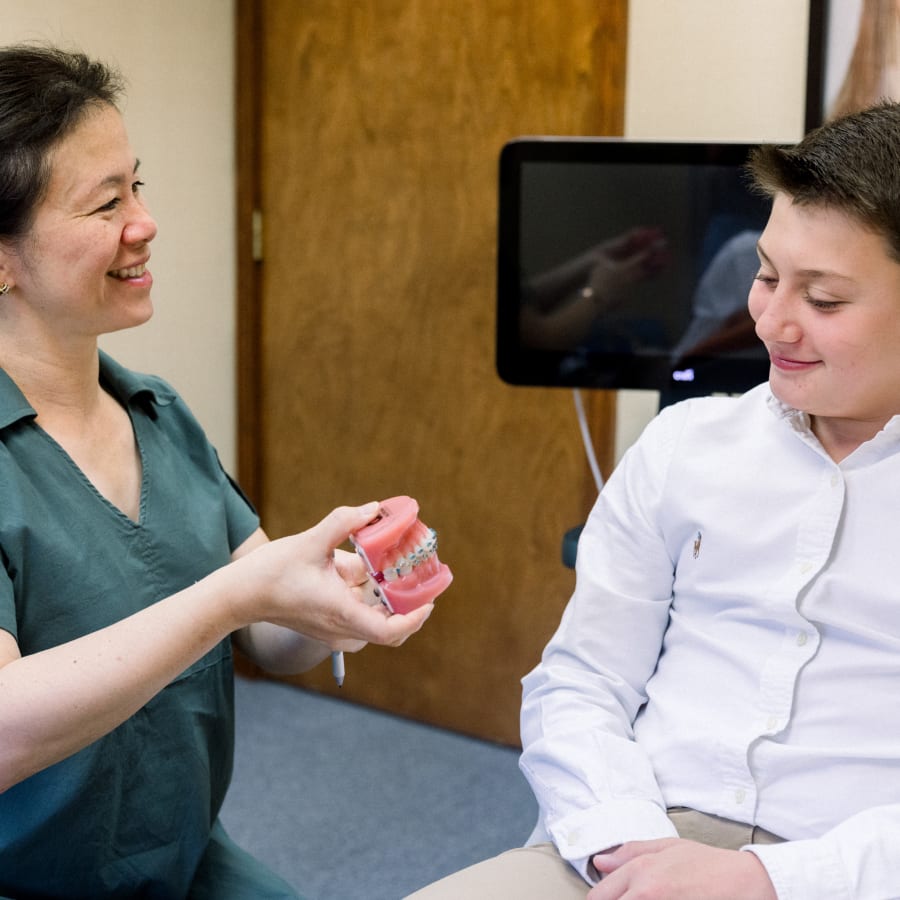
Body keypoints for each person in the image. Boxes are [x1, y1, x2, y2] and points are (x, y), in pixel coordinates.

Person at [408, 101, 900, 900]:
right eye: (767, 275)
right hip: (635, 836)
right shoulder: (684, 448)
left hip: (842, 867)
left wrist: (765, 879)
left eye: (825, 301)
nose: (772, 321)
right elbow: (580, 681)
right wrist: (629, 846)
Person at [0, 44, 434, 899]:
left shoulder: (159, 416)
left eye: (138, 184)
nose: (145, 221)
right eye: (105, 203)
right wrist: (234, 596)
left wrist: (337, 592)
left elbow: (270, 637)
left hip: (185, 864)